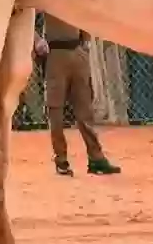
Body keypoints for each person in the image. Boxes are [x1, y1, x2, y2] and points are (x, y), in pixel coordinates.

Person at [35, 12, 122, 175]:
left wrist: (86, 43)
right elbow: (26, 14)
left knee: (85, 108)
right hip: (55, 52)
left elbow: (84, 17)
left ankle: (96, 158)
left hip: (76, 50)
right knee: (55, 110)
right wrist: (36, 39)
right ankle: (61, 159)